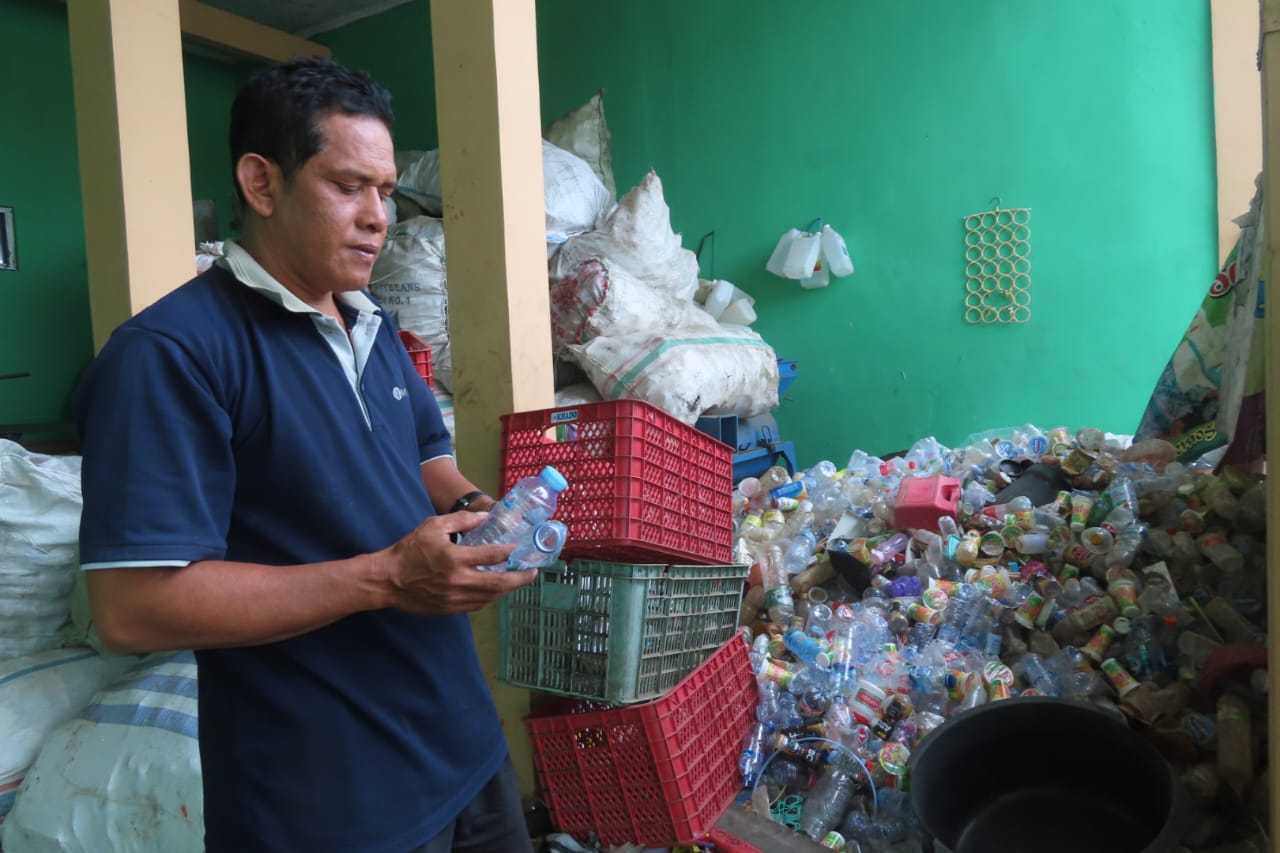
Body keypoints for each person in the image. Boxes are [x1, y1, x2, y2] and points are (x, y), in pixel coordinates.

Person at [73, 56, 539, 853]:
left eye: (385, 191)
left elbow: (423, 456)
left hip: (463, 748)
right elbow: (132, 607)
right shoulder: (172, 353)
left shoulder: (369, 320)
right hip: (327, 798)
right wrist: (386, 577)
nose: (377, 217)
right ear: (261, 183)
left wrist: (478, 513)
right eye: (348, 186)